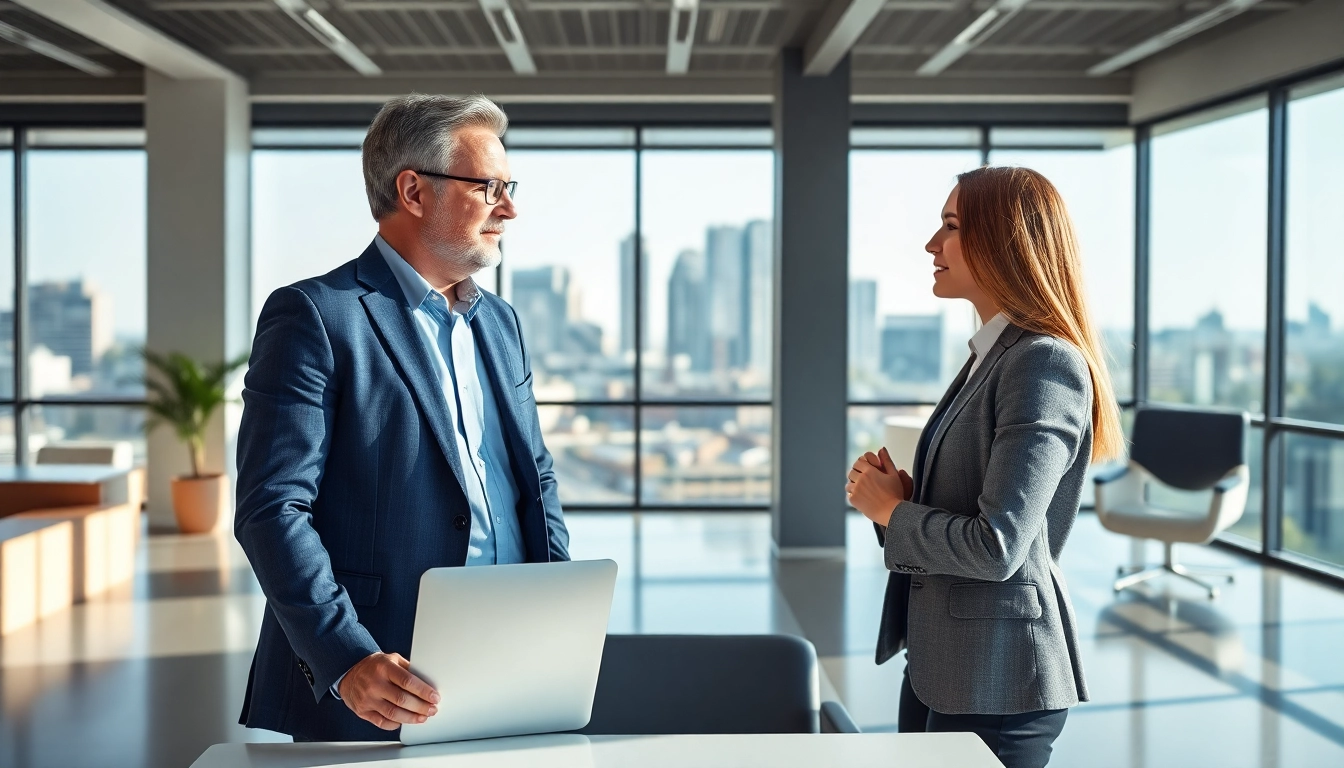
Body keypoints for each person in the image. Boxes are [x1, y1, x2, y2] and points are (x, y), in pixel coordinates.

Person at [234, 94, 569, 742]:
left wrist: (557, 614)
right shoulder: (315, 317)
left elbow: (537, 477)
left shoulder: (500, 323)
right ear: (413, 190)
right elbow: (272, 508)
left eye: (510, 186)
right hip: (378, 680)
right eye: (489, 187)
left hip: (510, 661)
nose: (510, 207)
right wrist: (345, 656)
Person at [845, 166, 1123, 768]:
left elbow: (999, 546)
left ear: (1006, 241)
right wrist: (901, 501)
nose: (930, 245)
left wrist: (892, 511)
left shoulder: (1042, 363)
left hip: (999, 678)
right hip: (944, 662)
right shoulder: (993, 355)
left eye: (950, 227)